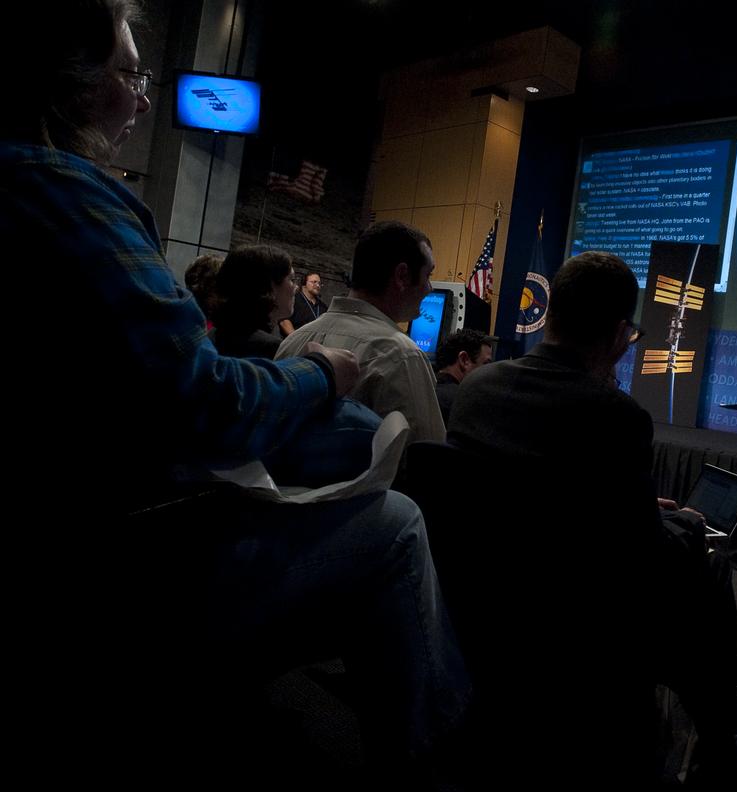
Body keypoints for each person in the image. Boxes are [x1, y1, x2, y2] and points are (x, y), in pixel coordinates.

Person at [3, 0, 466, 773]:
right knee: (397, 518)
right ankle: (439, 756)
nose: (146, 99)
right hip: (103, 575)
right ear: (67, 82)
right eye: (131, 74)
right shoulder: (63, 192)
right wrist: (318, 379)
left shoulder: (308, 329)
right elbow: (207, 406)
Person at [449, 251, 737, 789]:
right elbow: (635, 557)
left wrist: (628, 507)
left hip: (487, 604)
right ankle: (719, 747)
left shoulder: (477, 387)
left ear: (551, 312)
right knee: (706, 556)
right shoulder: (615, 415)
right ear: (617, 333)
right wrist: (682, 529)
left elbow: (541, 494)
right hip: (579, 620)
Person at [275, 220, 447, 445]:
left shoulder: (293, 341)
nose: (429, 288)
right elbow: (423, 458)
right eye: (428, 275)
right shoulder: (401, 355)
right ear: (402, 276)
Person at [210, 244, 295, 358]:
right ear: (269, 286)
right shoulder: (268, 348)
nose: (295, 288)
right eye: (291, 279)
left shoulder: (213, 335)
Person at [434, 328, 494, 422]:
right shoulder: (465, 403)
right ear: (464, 360)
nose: (489, 373)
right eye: (486, 364)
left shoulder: (422, 389)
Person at [281, 270, 328, 336]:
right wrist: (296, 339)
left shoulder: (323, 306)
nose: (317, 285)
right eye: (314, 282)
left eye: (319, 283)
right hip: (295, 343)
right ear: (304, 284)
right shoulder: (293, 300)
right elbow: (284, 321)